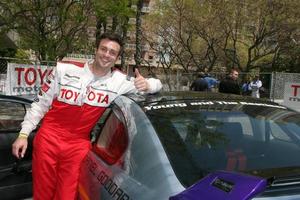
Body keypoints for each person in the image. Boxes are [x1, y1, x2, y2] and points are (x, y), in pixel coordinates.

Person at [11, 32, 162, 200]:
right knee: (43, 194)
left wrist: (148, 84)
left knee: (66, 196)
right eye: (103, 49)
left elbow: (158, 84)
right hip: (48, 139)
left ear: (117, 57)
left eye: (112, 52)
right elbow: (40, 104)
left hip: (77, 146)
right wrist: (23, 134)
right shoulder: (64, 68)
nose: (106, 55)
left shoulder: (119, 81)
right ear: (96, 50)